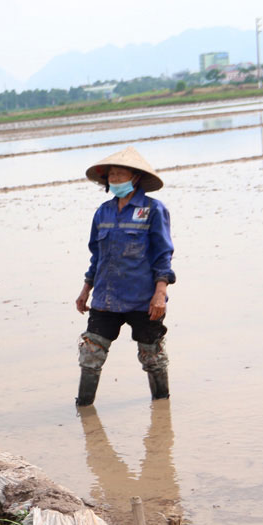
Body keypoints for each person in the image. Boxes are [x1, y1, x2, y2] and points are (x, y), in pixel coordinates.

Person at [75, 146, 175, 406]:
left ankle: (162, 408)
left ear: (136, 178)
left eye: (121, 174)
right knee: (91, 353)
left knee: (152, 356)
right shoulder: (103, 213)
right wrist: (86, 289)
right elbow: (96, 256)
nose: (116, 179)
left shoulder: (153, 210)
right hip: (106, 298)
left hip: (144, 299)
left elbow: (162, 255)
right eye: (112, 175)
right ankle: (83, 406)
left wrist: (160, 294)